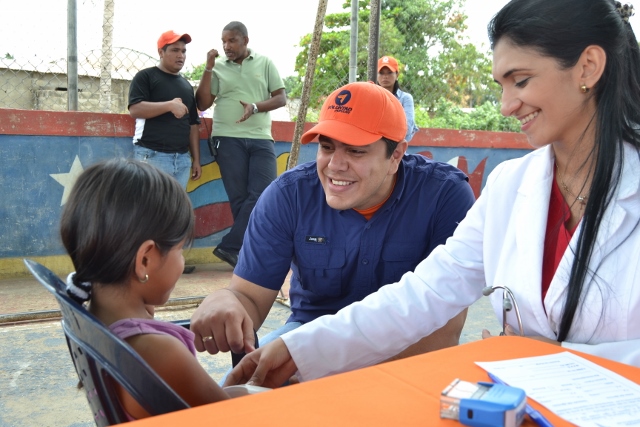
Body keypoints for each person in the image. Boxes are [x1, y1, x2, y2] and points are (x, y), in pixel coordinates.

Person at [224, 0, 640, 388]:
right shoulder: (511, 187)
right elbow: (426, 292)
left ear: (587, 67)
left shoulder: (444, 192)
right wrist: (301, 348)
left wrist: (559, 361)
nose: (505, 105)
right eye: (500, 84)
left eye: (521, 81)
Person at [190, 81, 475, 367]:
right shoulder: (289, 196)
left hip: (407, 346)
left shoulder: (444, 195)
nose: (335, 165)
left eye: (355, 151)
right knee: (236, 390)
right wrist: (227, 301)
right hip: (310, 332)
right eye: (327, 147)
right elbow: (248, 298)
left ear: (396, 155)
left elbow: (445, 328)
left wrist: (322, 361)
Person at [59, 159, 229, 420]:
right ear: (145, 260)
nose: (182, 261)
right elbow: (235, 418)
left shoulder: (93, 318)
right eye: (180, 249)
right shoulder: (160, 352)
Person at [196, 21, 286, 268]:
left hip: (261, 137)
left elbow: (280, 97)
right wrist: (208, 68)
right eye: (224, 41)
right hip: (227, 138)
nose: (227, 46)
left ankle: (229, 246)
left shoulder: (265, 63)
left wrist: (255, 106)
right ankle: (244, 254)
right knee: (239, 198)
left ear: (246, 40)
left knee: (263, 193)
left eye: (232, 40)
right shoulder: (218, 68)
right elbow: (202, 104)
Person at [128, 30, 202, 274]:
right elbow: (135, 109)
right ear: (161, 52)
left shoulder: (185, 85)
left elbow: (193, 125)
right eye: (175, 50)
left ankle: (167, 264)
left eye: (183, 51)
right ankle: (142, 264)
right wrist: (169, 105)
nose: (181, 55)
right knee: (149, 212)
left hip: (181, 159)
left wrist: (195, 160)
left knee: (173, 214)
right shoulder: (146, 77)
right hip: (152, 155)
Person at [377, 55, 420, 142]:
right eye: (381, 73)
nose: (385, 76)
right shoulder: (372, 97)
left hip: (397, 144)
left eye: (389, 72)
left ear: (397, 75)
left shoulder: (405, 98)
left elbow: (407, 128)